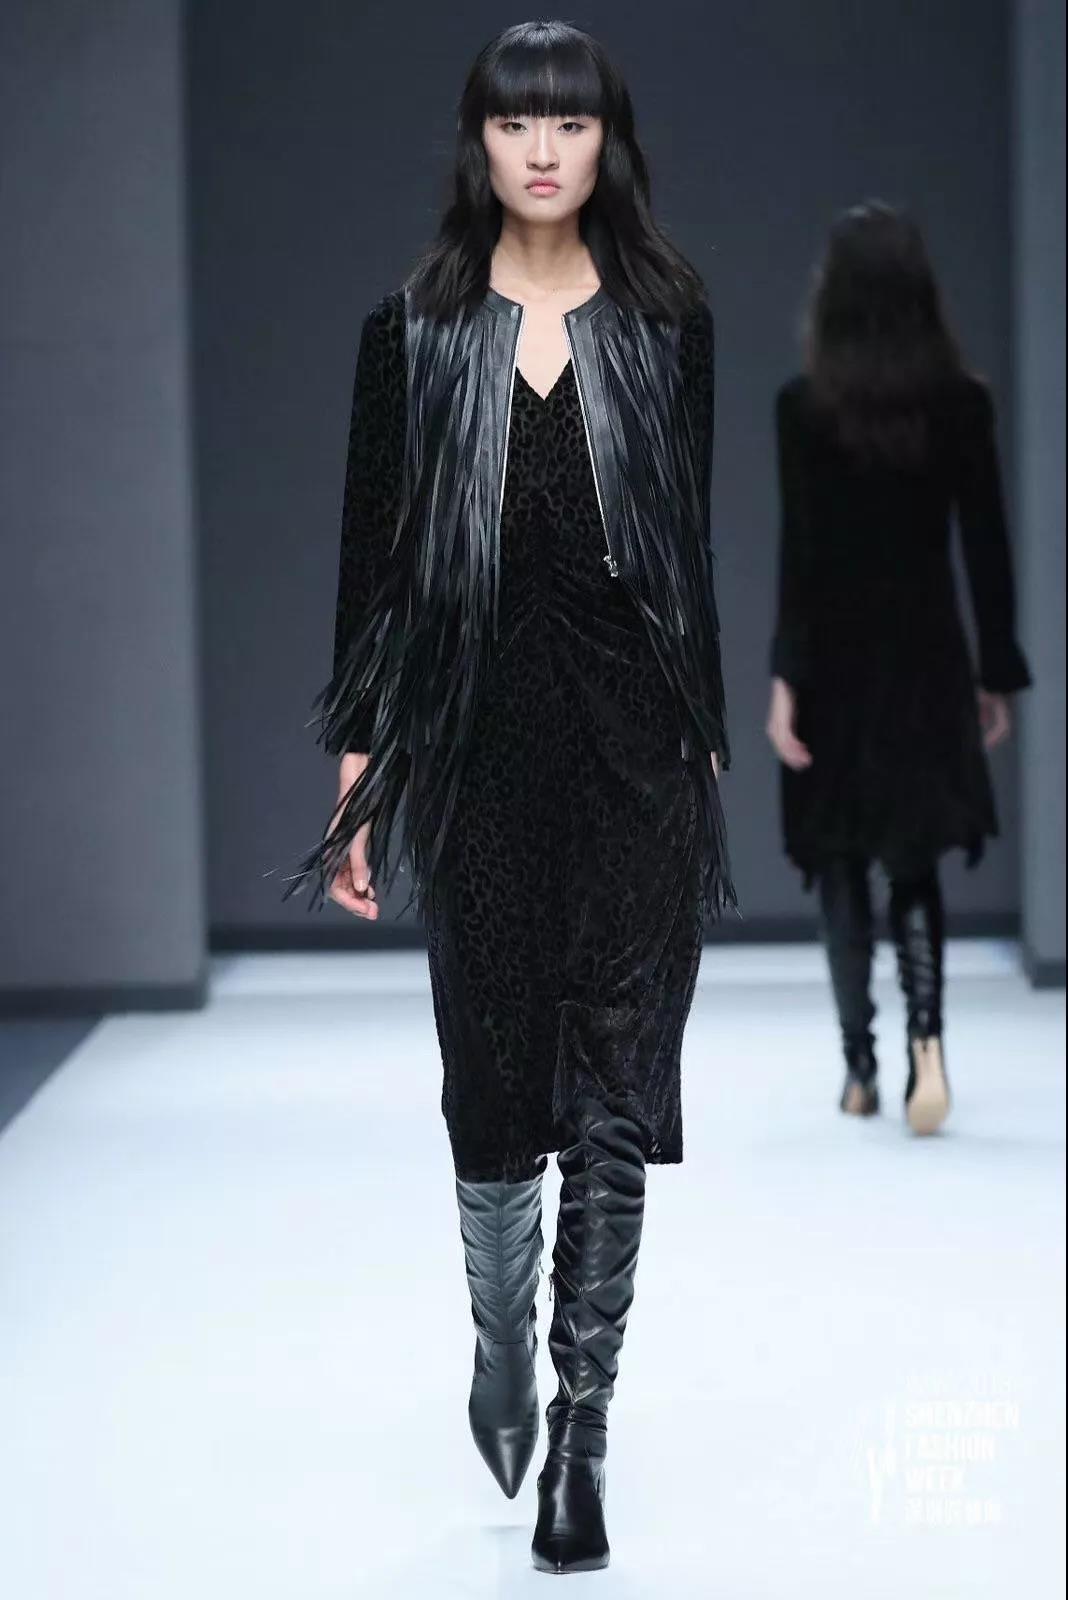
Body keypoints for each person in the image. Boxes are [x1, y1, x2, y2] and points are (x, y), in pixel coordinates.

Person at [282, 21, 733, 1575]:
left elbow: (687, 550)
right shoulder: (412, 333)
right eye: (517, 121)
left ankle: (581, 1435)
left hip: (635, 750)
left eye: (572, 121)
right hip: (477, 749)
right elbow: (372, 566)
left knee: (614, 1097)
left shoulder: (669, 325)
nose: (544, 149)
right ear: (478, 140)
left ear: (609, 141)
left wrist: (706, 749)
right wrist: (357, 774)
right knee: (491, 1098)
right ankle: (498, 1339)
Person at [767, 201, 1031, 1136]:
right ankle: (928, 1037)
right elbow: (986, 549)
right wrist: (994, 672)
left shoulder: (804, 409)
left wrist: (785, 681)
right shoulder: (961, 405)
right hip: (926, 658)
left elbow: (800, 559)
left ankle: (859, 1068)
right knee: (913, 859)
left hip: (834, 664)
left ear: (832, 294)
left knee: (839, 859)